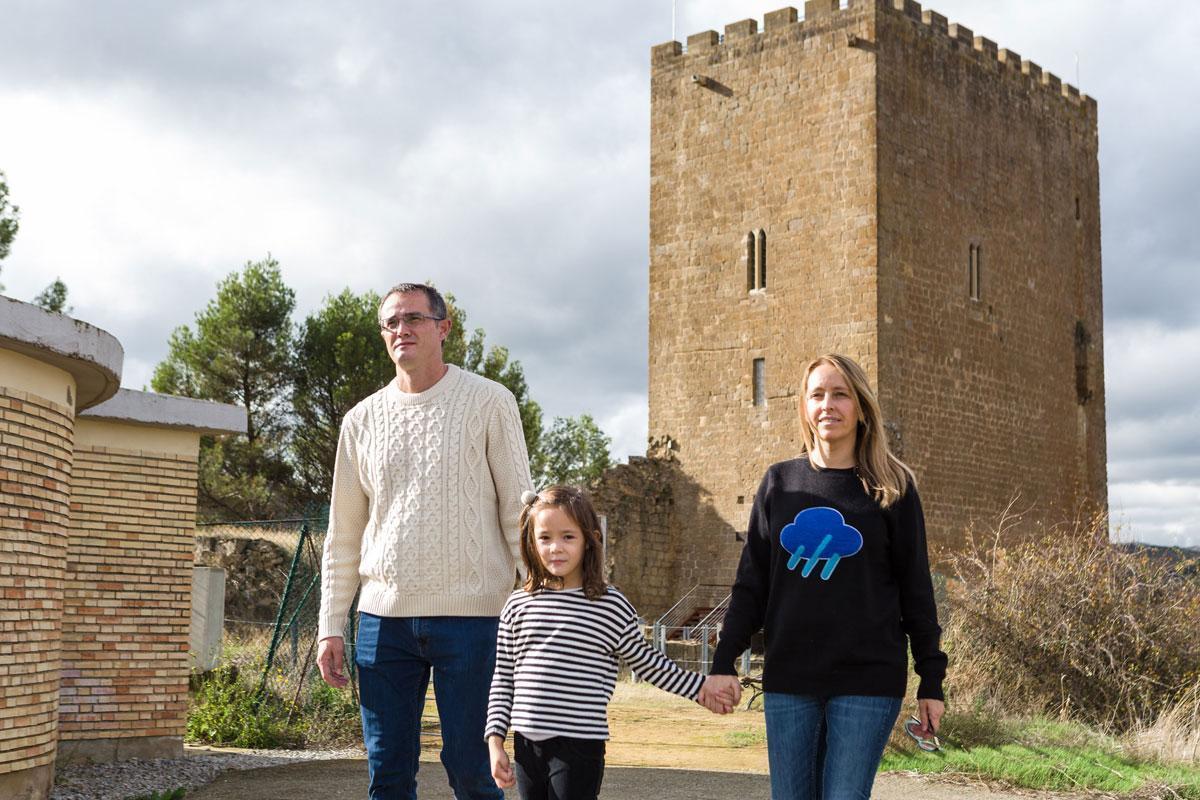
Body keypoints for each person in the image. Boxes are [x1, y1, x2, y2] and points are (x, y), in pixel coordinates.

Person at [316, 282, 531, 800]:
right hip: (381, 622)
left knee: (471, 770)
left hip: (477, 619)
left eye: (412, 319)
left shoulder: (490, 402)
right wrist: (330, 627)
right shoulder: (360, 421)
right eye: (390, 323)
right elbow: (343, 533)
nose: (400, 330)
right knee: (387, 774)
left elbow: (518, 512)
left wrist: (538, 600)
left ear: (443, 327)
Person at [705, 353, 947, 800]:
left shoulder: (893, 488)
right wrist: (723, 664)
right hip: (790, 679)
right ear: (803, 406)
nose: (827, 405)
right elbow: (750, 586)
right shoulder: (779, 484)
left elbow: (917, 592)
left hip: (867, 681)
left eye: (840, 394)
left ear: (860, 407)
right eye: (817, 394)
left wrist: (931, 681)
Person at [485, 486, 738, 800]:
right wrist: (495, 741)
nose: (555, 548)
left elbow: (649, 663)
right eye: (545, 537)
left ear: (590, 540)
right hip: (526, 745)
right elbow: (503, 677)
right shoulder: (517, 604)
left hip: (579, 746)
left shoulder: (609, 605)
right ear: (530, 542)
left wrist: (701, 688)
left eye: (568, 536)